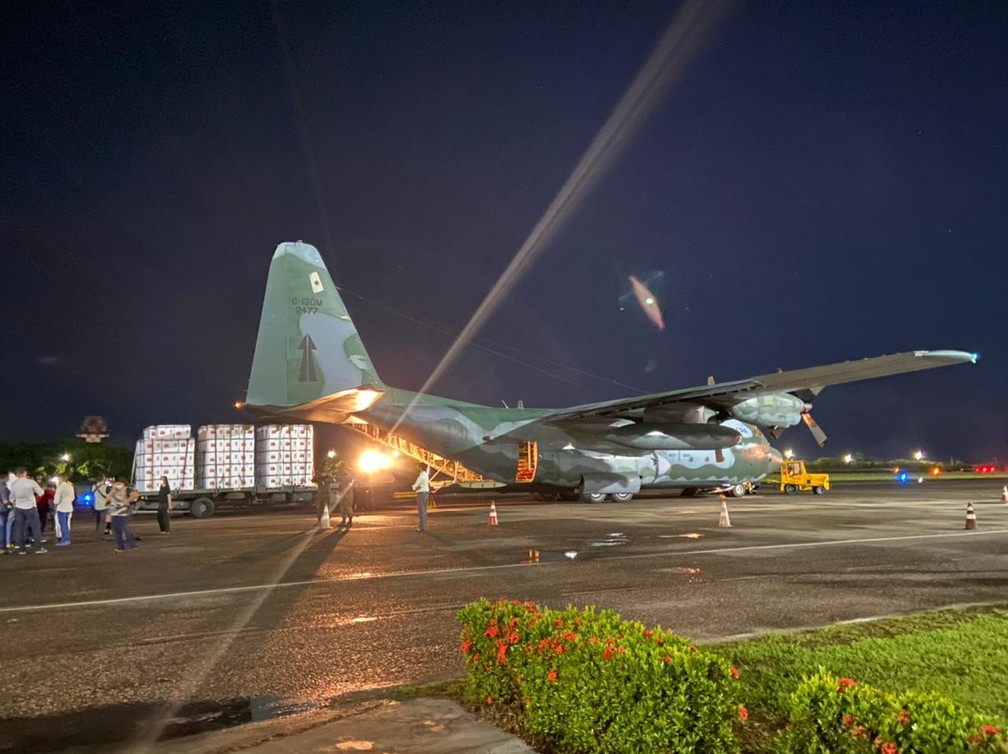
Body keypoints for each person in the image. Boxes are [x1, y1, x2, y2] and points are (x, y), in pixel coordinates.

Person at [10, 468, 46, 554]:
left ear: (17, 474)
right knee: (35, 528)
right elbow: (41, 493)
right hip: (31, 507)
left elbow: (11, 498)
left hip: (19, 507)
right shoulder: (31, 482)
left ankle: (22, 549)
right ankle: (38, 548)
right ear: (25, 473)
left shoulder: (14, 484)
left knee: (20, 528)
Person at [107, 480, 138, 552]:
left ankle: (132, 544)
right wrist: (112, 491)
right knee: (117, 530)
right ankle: (120, 547)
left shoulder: (127, 489)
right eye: (116, 483)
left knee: (125, 529)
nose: (117, 485)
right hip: (114, 513)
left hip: (124, 513)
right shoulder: (112, 490)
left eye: (119, 483)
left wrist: (127, 500)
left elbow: (135, 495)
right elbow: (107, 499)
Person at [53, 474, 75, 547]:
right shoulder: (70, 487)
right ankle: (66, 538)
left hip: (61, 508)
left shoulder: (60, 487)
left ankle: (65, 539)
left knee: (62, 524)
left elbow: (56, 500)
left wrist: (55, 505)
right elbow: (73, 498)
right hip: (69, 507)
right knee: (67, 524)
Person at [411, 463, 429, 532]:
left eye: (418, 467)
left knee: (421, 512)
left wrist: (414, 487)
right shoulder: (426, 476)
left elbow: (414, 486)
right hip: (426, 494)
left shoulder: (420, 477)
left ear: (420, 468)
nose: (417, 468)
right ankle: (422, 526)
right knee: (424, 511)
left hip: (421, 495)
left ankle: (423, 527)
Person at [0, 471, 11, 553]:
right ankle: (2, 548)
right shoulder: (3, 487)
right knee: (2, 529)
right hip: (2, 510)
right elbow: (5, 501)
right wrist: (12, 503)